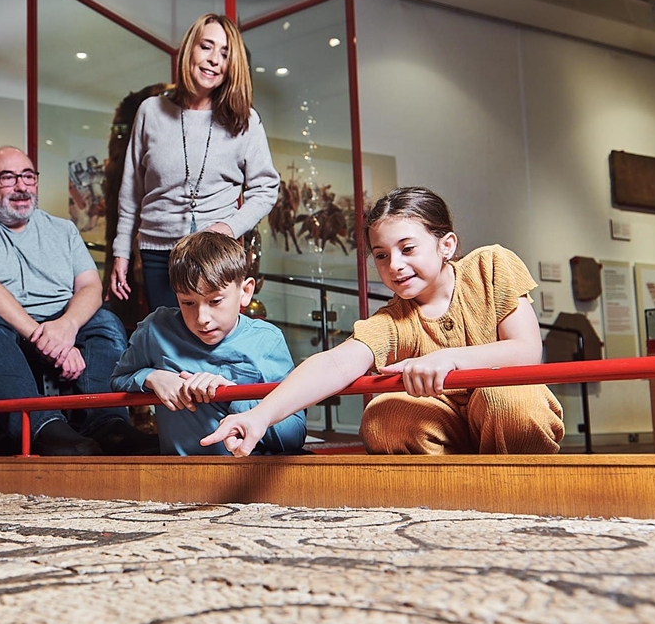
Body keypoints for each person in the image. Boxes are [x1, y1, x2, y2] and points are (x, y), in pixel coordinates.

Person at [201, 186, 565, 457]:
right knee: (382, 416)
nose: (395, 266)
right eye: (381, 255)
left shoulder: (492, 265)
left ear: (446, 245)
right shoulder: (391, 320)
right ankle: (453, 494)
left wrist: (447, 360)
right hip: (447, 430)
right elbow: (336, 362)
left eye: (408, 249)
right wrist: (260, 417)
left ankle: (524, 488)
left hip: (508, 413)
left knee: (503, 397)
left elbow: (527, 351)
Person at [0, 146, 149, 456]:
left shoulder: (63, 229)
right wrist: (43, 337)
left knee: (105, 321)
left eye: (28, 176)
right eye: (7, 177)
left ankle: (109, 426)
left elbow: (90, 285)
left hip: (62, 323)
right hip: (1, 325)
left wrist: (67, 327)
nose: (21, 186)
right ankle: (44, 428)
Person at [109, 13, 279, 312]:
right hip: (157, 252)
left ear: (232, 65)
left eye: (225, 53)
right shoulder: (151, 111)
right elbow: (130, 191)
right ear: (190, 49)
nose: (214, 59)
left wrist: (229, 226)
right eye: (207, 46)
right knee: (169, 346)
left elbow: (266, 188)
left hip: (216, 255)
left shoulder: (245, 119)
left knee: (209, 343)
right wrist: (121, 252)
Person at [110, 231, 306, 455]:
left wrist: (233, 396)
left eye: (215, 301)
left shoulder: (267, 341)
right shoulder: (155, 329)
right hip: (179, 478)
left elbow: (294, 436)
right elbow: (118, 379)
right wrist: (152, 377)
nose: (202, 318)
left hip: (250, 475)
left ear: (245, 291)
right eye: (188, 302)